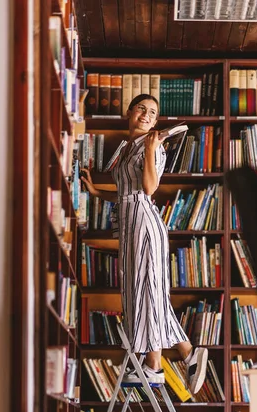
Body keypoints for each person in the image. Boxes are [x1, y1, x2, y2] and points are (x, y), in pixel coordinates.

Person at [81, 94, 208, 394]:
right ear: (129, 112)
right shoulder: (126, 149)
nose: (147, 114)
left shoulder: (154, 148)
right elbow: (125, 192)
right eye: (141, 108)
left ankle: (157, 365)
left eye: (153, 112)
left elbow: (149, 189)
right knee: (142, 290)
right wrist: (95, 192)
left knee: (146, 289)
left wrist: (152, 149)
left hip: (144, 224)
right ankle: (183, 355)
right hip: (129, 224)